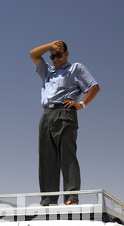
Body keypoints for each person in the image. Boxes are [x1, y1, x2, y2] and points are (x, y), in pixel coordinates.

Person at [30, 40, 100, 206]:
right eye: (53, 56)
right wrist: (50, 46)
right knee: (47, 158)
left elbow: (94, 87)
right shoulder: (47, 71)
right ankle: (48, 199)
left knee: (67, 156)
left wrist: (81, 104)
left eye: (59, 55)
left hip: (65, 112)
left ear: (67, 54)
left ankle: (71, 197)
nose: (55, 59)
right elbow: (33, 54)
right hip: (47, 114)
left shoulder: (75, 68)